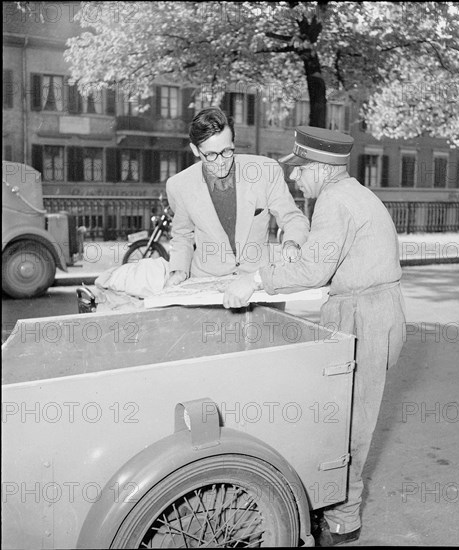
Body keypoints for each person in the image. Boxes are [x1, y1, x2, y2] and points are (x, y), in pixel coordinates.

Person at [223, 126, 406, 546]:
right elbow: (321, 260)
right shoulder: (352, 193)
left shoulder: (334, 202)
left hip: (364, 315)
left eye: (299, 168)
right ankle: (338, 507)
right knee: (340, 414)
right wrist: (291, 256)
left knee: (350, 422)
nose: (293, 177)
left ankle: (343, 522)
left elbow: (313, 272)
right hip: (371, 307)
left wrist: (254, 280)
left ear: (322, 169)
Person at [165, 107, 309, 285]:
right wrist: (179, 271)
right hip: (207, 282)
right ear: (195, 150)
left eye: (227, 151)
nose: (220, 163)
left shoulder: (266, 171)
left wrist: (291, 243)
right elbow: (182, 235)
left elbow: (292, 218)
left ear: (233, 143)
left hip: (259, 281)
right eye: (210, 155)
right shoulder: (179, 185)